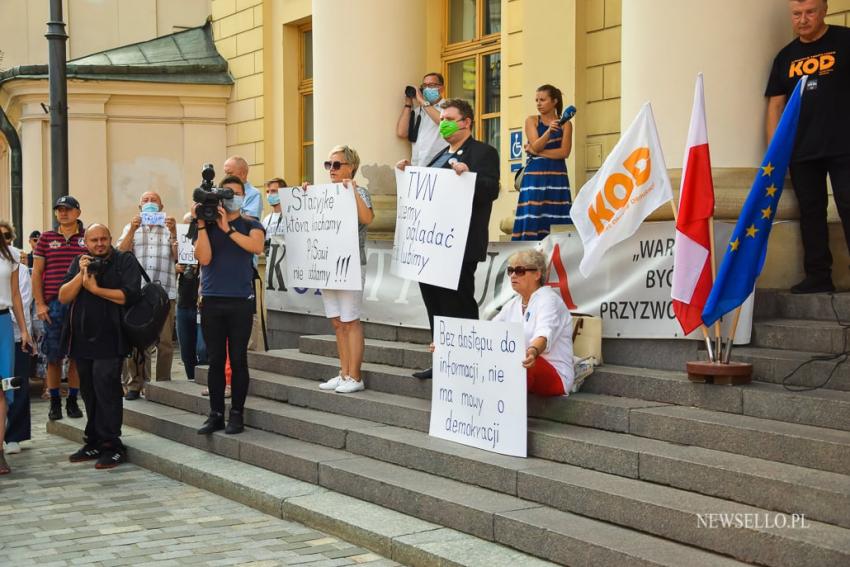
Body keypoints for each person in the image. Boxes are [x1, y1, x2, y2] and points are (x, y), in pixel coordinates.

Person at [397, 98, 500, 380]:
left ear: (466, 122)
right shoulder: (439, 154)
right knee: (436, 305)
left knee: (459, 304)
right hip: (431, 248)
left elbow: (492, 189)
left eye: (449, 118)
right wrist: (410, 175)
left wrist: (469, 177)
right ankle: (442, 358)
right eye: (441, 119)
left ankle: (468, 361)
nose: (443, 123)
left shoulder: (483, 152)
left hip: (460, 246)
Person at [766, 0, 850, 294]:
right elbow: (775, 104)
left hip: (844, 146)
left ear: (824, 10)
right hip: (801, 150)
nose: (803, 19)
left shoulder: (844, 41)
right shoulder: (785, 57)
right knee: (811, 213)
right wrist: (773, 152)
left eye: (810, 12)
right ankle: (818, 276)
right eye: (797, 14)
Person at [59, 224, 141, 469]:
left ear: (110, 239)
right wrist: (80, 274)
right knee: (89, 390)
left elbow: (130, 295)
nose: (99, 244)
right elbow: (63, 296)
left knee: (107, 389)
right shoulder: (79, 262)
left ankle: (112, 445)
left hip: (111, 338)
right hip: (82, 340)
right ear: (86, 242)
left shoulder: (124, 260)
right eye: (94, 240)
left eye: (104, 239)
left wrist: (96, 289)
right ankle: (93, 439)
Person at [193, 175, 265, 435]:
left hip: (240, 301)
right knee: (215, 360)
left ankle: (237, 414)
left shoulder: (251, 224)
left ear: (244, 196)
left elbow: (256, 247)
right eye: (226, 193)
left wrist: (228, 230)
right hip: (212, 300)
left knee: (238, 359)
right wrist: (202, 224)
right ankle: (215, 414)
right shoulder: (207, 225)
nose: (231, 197)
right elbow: (204, 258)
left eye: (235, 193)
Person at [310, 146, 374, 394]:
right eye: (329, 165)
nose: (332, 170)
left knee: (350, 320)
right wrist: (304, 195)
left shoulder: (360, 191)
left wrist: (354, 190)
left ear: (351, 167)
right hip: (328, 264)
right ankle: (344, 372)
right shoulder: (324, 193)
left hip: (351, 264)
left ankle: (355, 376)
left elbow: (367, 218)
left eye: (337, 165)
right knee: (337, 322)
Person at [490, 249, 578, 396]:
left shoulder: (549, 299)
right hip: (524, 366)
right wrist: (448, 344)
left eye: (519, 271)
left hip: (555, 373)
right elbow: (488, 331)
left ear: (537, 274)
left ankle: (506, 414)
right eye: (510, 270)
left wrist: (532, 351)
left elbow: (544, 334)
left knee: (517, 361)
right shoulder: (513, 304)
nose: (512, 275)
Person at [117, 191, 178, 400]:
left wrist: (175, 233)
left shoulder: (170, 227)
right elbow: (121, 253)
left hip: (166, 292)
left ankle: (163, 385)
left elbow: (181, 258)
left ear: (161, 208)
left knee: (165, 342)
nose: (150, 204)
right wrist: (132, 229)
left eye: (154, 201)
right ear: (139, 207)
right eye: (145, 201)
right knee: (138, 340)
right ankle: (136, 384)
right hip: (139, 293)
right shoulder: (131, 228)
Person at [32, 196, 86, 421]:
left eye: (68, 209)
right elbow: (36, 273)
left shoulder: (87, 238)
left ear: (77, 212)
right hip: (54, 304)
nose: (63, 213)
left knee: (77, 355)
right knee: (53, 356)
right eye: (59, 210)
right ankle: (55, 402)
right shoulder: (46, 238)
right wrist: (40, 303)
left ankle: (73, 401)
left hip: (81, 303)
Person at [512, 84, 574, 240]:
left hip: (557, 177)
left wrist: (536, 152)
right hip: (535, 178)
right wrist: (548, 132)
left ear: (554, 101)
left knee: (556, 216)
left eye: (542, 100)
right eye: (536, 100)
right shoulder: (531, 121)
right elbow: (536, 144)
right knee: (533, 216)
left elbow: (564, 152)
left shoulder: (566, 124)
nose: (538, 103)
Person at [3, 222, 34, 456]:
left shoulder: (16, 262)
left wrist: (24, 331)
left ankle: (10, 439)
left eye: (6, 236)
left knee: (11, 384)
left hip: (9, 327)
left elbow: (18, 298)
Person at [176, 213, 207, 382]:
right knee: (186, 351)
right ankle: (191, 380)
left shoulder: (208, 246)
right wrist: (176, 264)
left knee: (202, 349)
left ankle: (204, 379)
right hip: (183, 303)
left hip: (202, 305)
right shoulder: (179, 247)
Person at [396, 72, 449, 166]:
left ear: (441, 88)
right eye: (424, 85)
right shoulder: (419, 111)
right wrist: (408, 103)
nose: (427, 88)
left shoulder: (449, 108)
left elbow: (445, 124)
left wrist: (421, 100)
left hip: (440, 166)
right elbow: (402, 133)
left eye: (431, 85)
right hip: (418, 166)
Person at [223, 156, 263, 221]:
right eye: (225, 173)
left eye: (230, 173)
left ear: (243, 174)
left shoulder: (254, 194)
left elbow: (251, 221)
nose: (226, 177)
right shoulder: (222, 191)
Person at [261, 177, 288, 245]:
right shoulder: (266, 220)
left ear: (283, 192)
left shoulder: (292, 217)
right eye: (267, 191)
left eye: (273, 191)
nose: (269, 194)